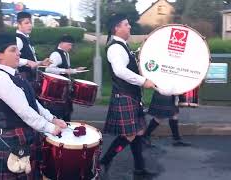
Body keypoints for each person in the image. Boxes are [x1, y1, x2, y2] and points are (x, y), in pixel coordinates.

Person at [0, 33, 67, 179]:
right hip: (10, 139)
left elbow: (32, 102)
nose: (19, 53)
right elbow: (24, 110)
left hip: (23, 136)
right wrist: (50, 128)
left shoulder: (14, 75)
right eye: (13, 50)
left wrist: (52, 119)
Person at [100, 14, 157, 178]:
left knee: (137, 133)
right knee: (130, 135)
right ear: (116, 28)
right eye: (126, 24)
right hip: (124, 95)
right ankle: (105, 160)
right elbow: (119, 71)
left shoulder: (123, 46)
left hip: (130, 95)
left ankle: (139, 169)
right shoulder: (115, 47)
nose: (130, 26)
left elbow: (130, 68)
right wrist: (142, 81)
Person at [43, 35, 86, 122]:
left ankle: (66, 130)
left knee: (67, 112)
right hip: (56, 90)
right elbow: (48, 69)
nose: (70, 47)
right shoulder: (56, 54)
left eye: (71, 45)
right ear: (61, 43)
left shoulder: (66, 54)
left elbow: (67, 70)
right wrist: (66, 71)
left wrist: (75, 70)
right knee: (58, 112)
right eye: (69, 45)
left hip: (64, 89)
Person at [16, 11, 50, 83]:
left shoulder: (26, 38)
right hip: (23, 79)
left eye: (31, 23)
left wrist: (41, 63)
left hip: (31, 78)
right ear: (19, 24)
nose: (30, 25)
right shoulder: (18, 39)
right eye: (26, 23)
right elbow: (11, 59)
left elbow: (31, 61)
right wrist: (27, 61)